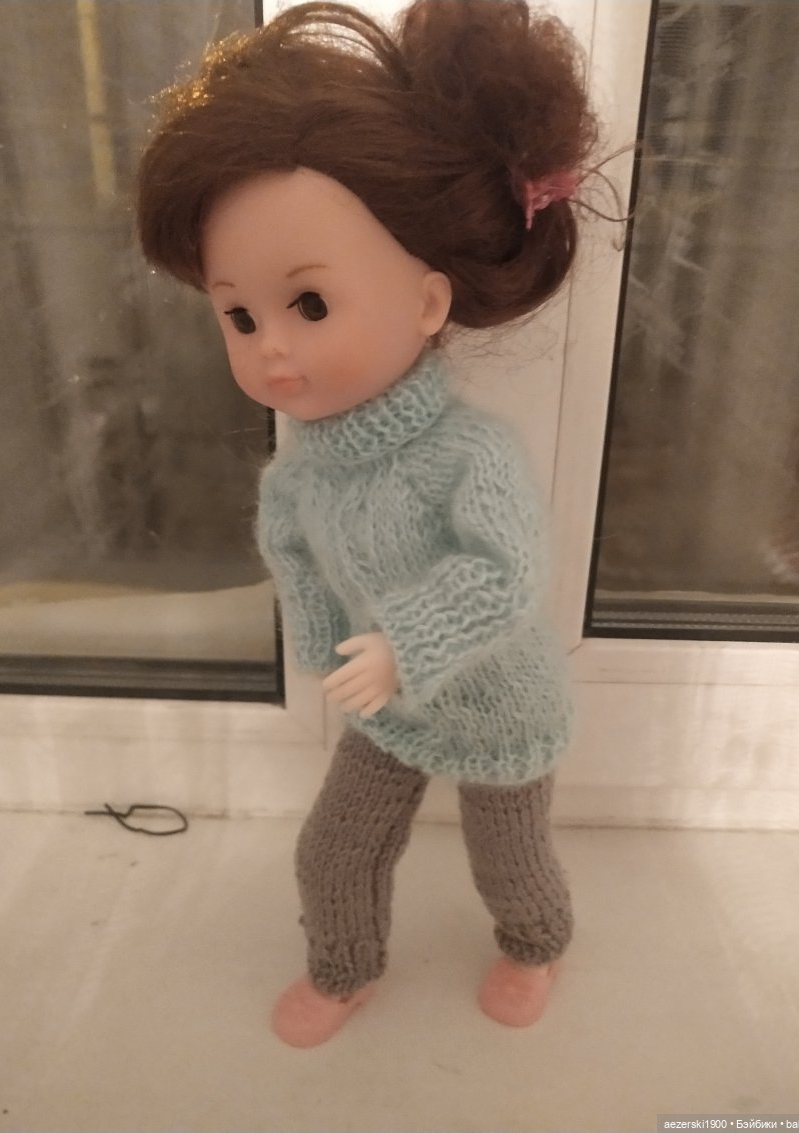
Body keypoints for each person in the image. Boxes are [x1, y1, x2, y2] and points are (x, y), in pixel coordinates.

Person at [137, 0, 601, 1048]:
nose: (270, 347)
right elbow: (293, 551)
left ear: (428, 303)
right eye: (240, 315)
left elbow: (505, 571)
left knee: (508, 856)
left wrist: (401, 642)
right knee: (334, 848)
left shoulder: (467, 453)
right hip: (388, 706)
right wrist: (321, 642)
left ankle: (537, 941)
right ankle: (343, 965)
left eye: (307, 305)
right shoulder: (302, 471)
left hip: (496, 700)